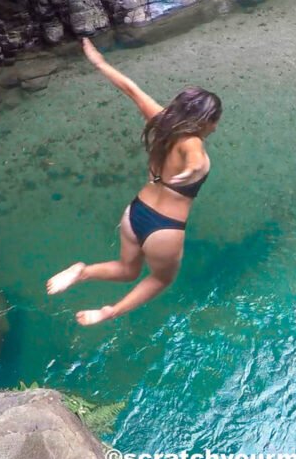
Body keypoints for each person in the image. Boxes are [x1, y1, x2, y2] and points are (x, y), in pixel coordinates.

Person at [46, 38, 222, 326]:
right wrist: (192, 170)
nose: (215, 127)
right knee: (161, 279)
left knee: (128, 270)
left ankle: (82, 272)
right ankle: (109, 311)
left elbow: (130, 88)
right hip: (164, 229)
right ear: (205, 121)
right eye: (215, 121)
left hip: (135, 213)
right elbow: (194, 155)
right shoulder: (192, 142)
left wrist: (100, 63)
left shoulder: (162, 122)